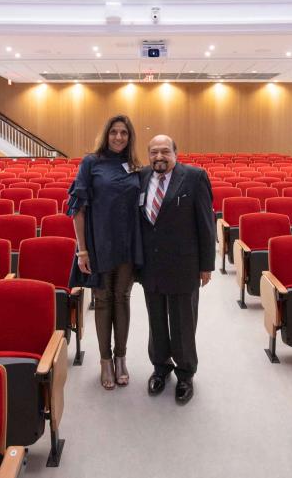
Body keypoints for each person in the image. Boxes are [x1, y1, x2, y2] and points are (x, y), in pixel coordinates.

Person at [139, 135, 216, 404]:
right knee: (156, 319)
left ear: (175, 152)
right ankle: (160, 367)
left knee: (183, 321)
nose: (159, 157)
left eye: (164, 152)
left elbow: (206, 223)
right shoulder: (142, 176)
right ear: (148, 155)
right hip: (151, 264)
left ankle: (185, 373)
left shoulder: (195, 177)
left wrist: (207, 265)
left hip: (184, 263)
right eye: (153, 152)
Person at [68, 115, 142, 390]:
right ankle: (105, 360)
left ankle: (121, 357)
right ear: (106, 134)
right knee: (102, 301)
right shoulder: (91, 163)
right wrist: (82, 251)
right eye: (114, 132)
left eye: (124, 133)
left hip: (127, 244)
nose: (119, 137)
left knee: (122, 298)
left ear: (130, 136)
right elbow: (78, 209)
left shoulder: (135, 166)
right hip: (99, 244)